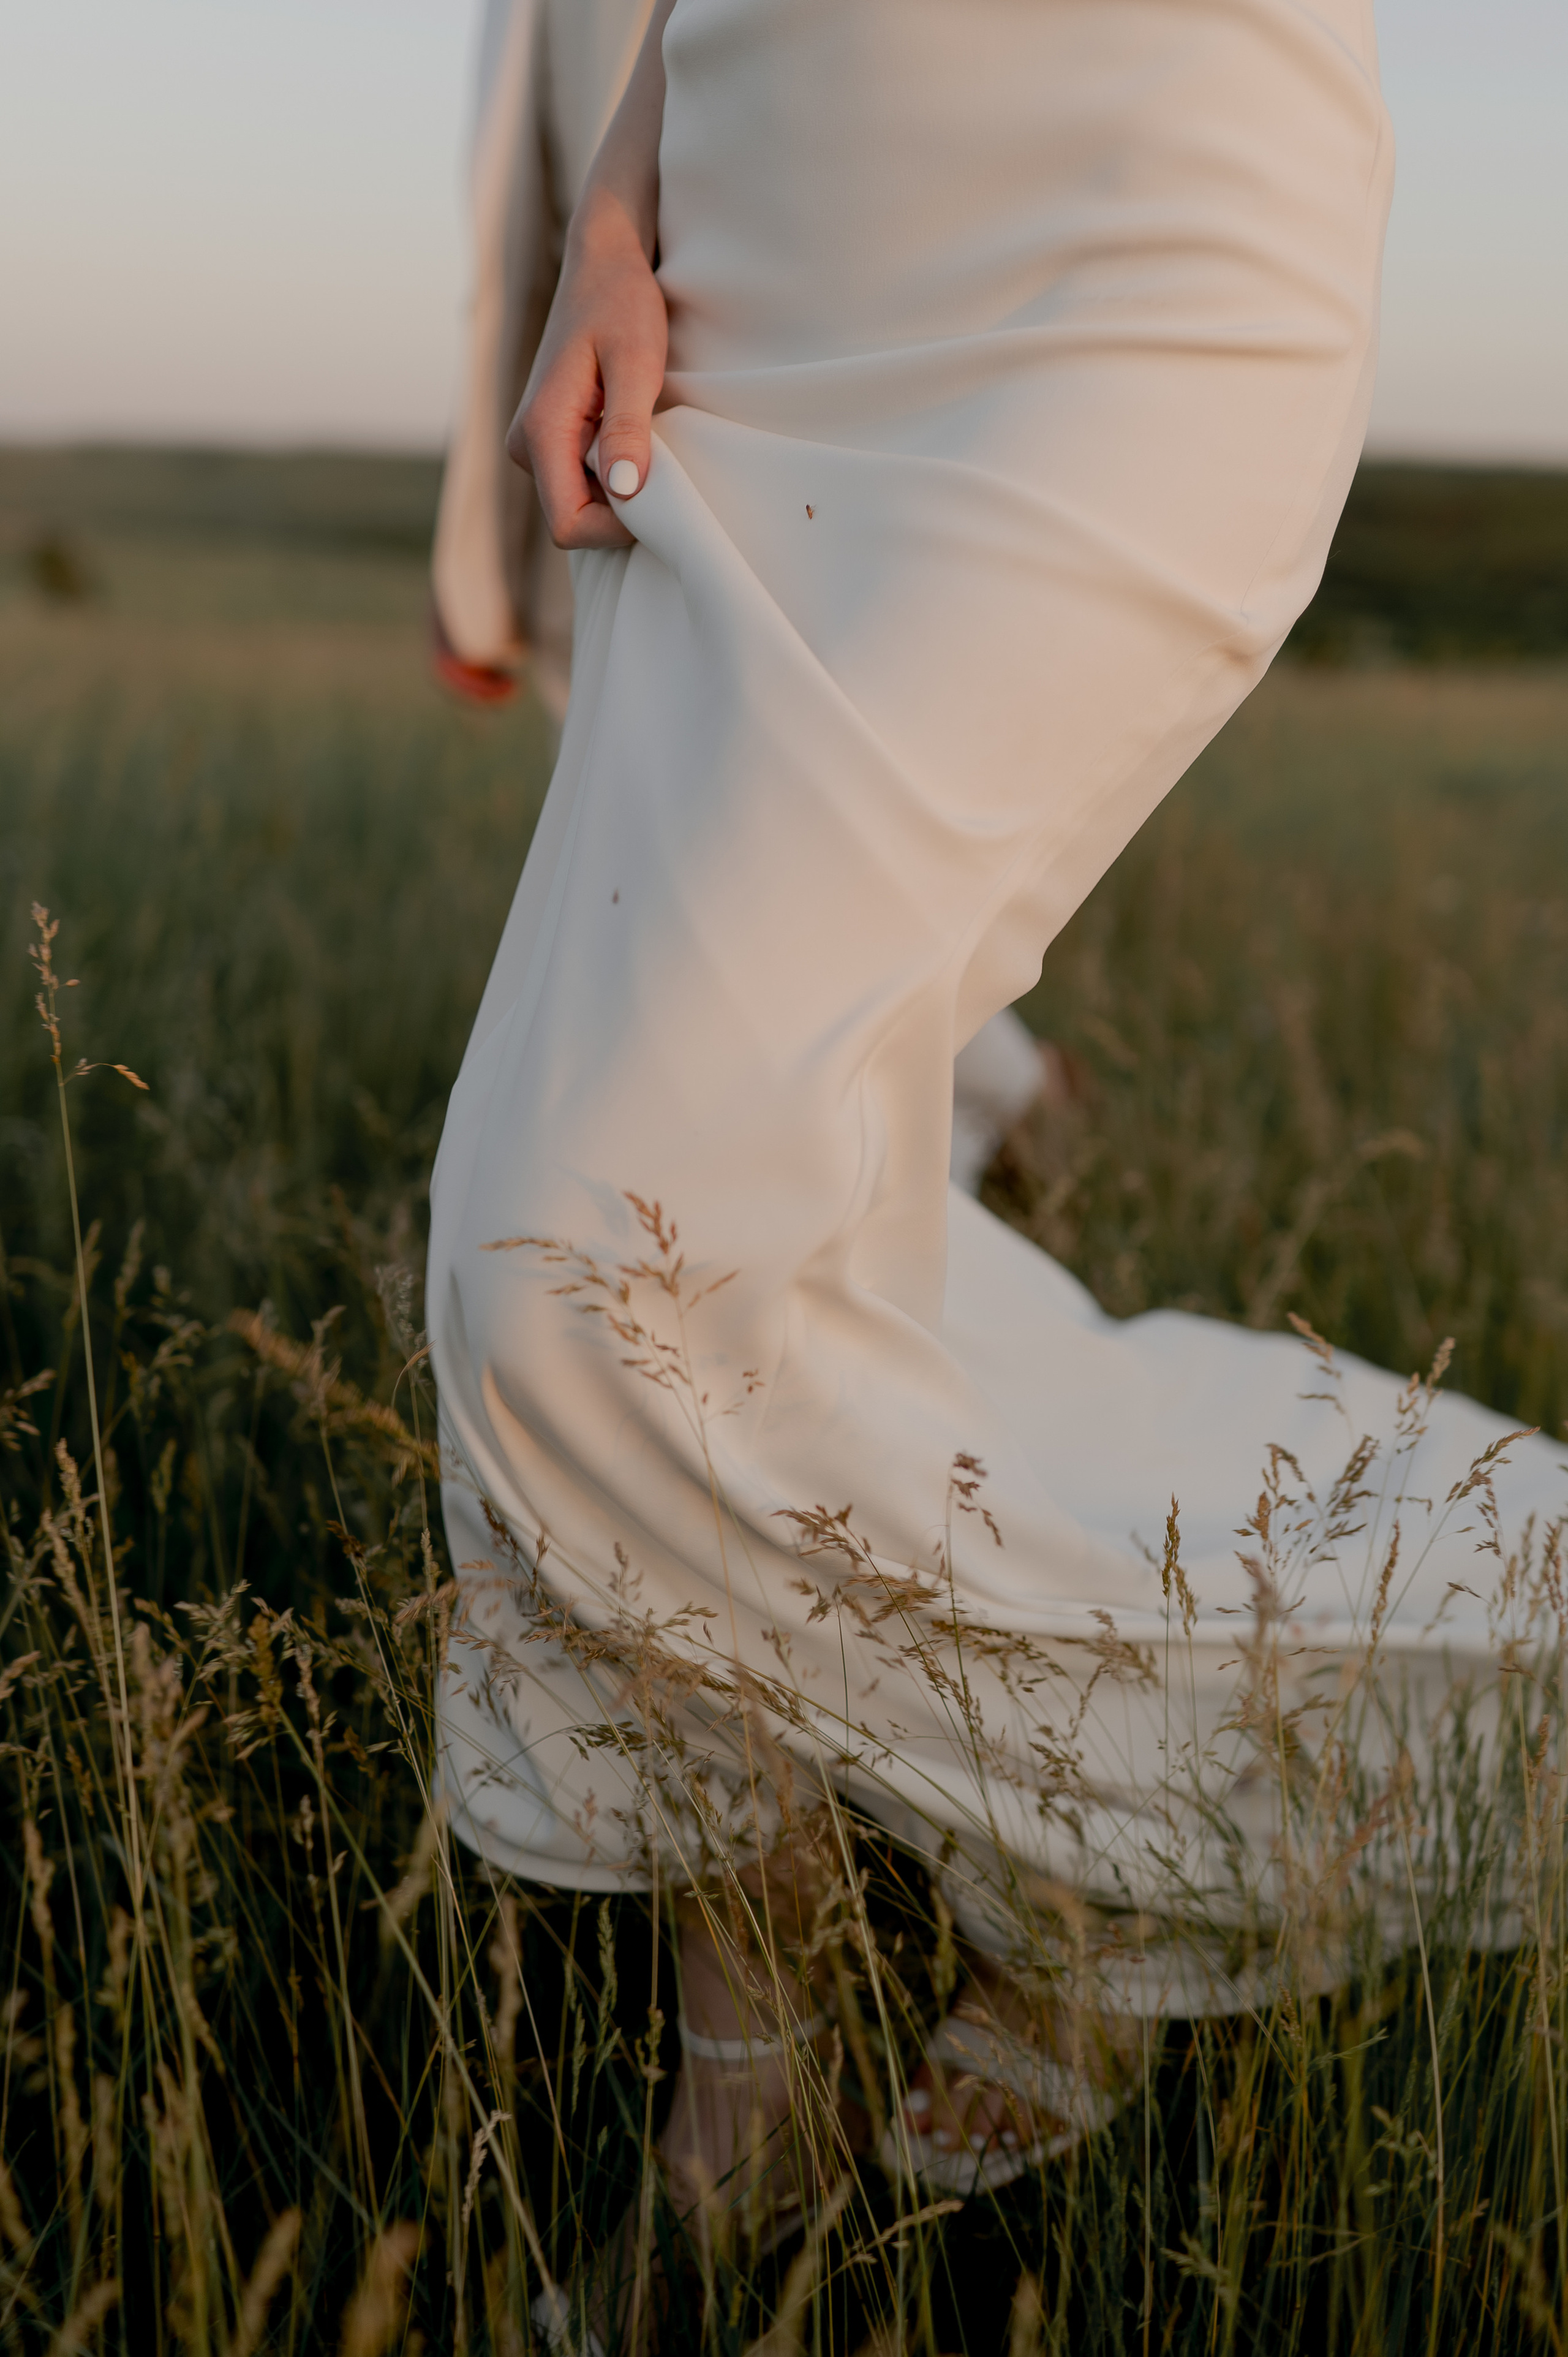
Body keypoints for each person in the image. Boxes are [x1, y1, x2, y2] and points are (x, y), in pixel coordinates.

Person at [427, 0, 1567, 2288]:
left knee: (571, 1242)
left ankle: (1105, 1834)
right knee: (642, 1218)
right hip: (765, 220)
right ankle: (766, 2019)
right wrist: (618, 210)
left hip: (1139, 226)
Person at [432, 0, 1069, 1189]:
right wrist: (475, 568)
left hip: (697, 419)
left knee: (758, 847)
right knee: (744, 847)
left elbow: (537, 203)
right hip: (640, 425)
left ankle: (951, 1124)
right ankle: (910, 1145)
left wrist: (481, 567)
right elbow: (527, 213)